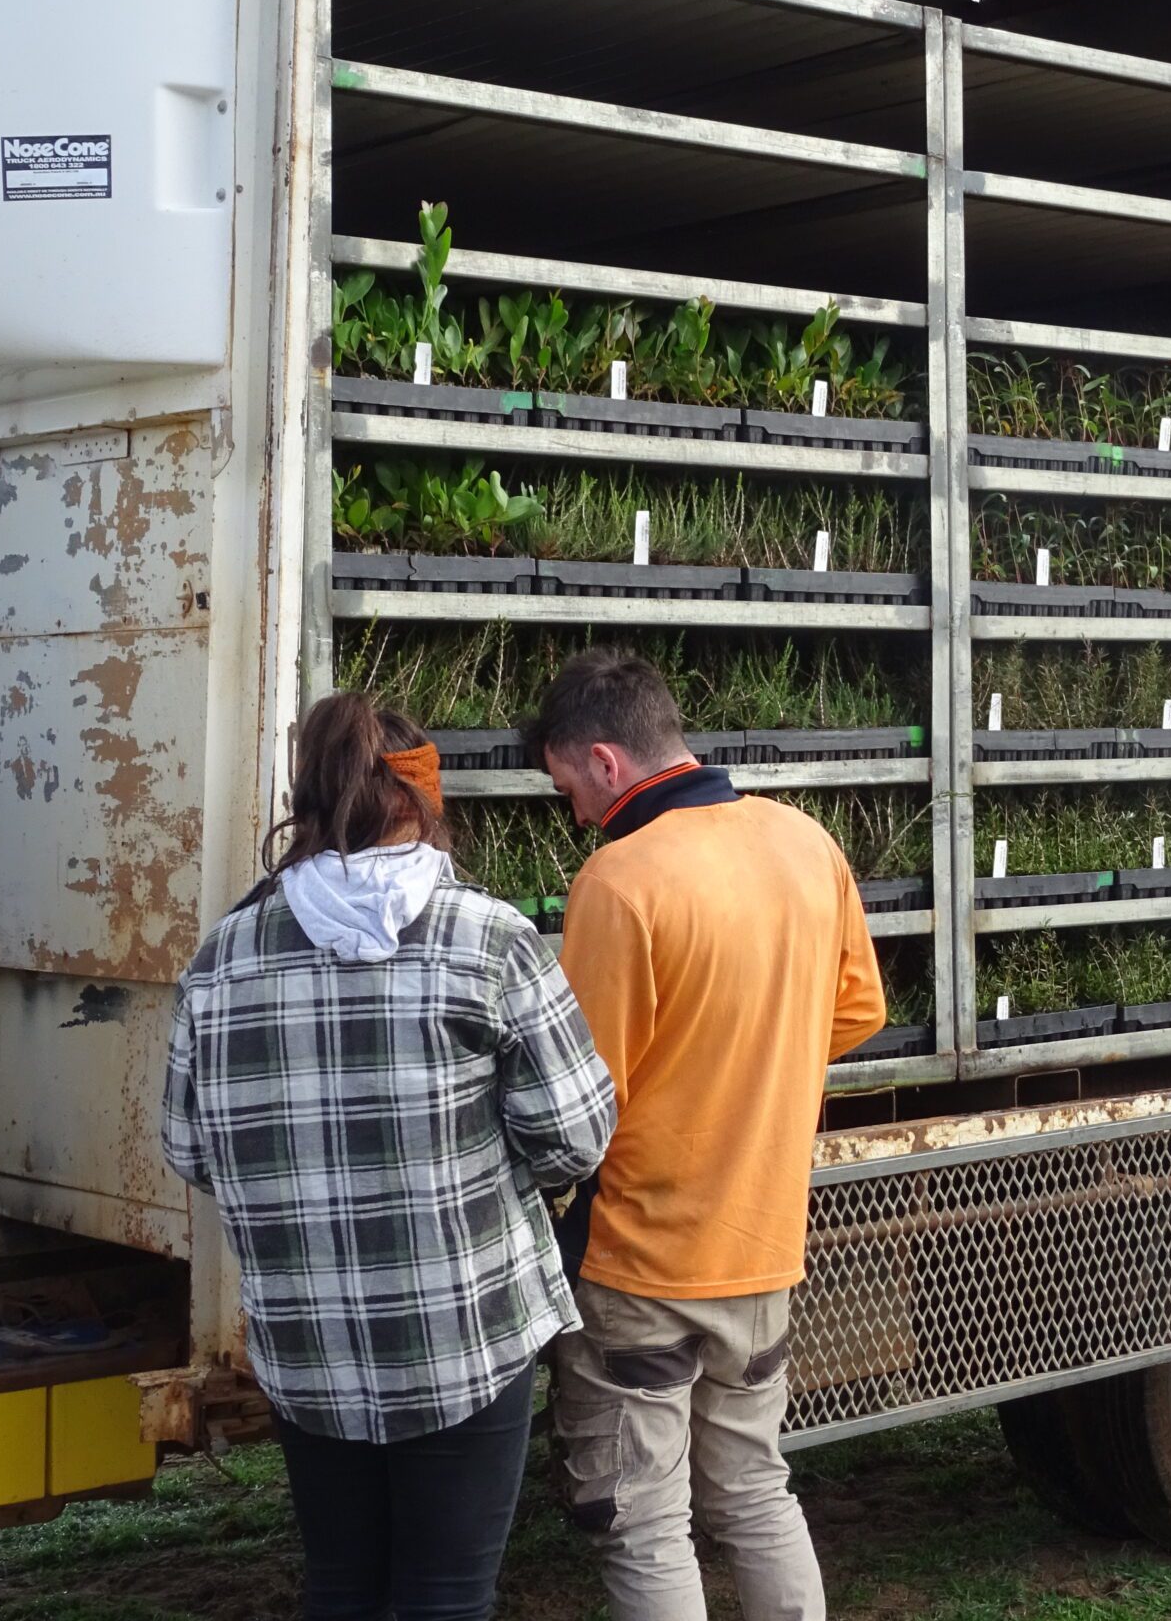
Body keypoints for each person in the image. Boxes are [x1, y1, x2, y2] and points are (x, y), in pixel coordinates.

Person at [161, 693, 616, 1621]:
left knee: (342, 1589)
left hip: (308, 1347)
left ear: (311, 802)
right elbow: (576, 1134)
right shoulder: (489, 938)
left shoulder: (223, 956)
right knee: (446, 1597)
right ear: (424, 800)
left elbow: (189, 1147)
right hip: (465, 1339)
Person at [528, 649, 887, 1621]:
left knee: (641, 1517)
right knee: (754, 1488)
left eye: (567, 787)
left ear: (603, 760)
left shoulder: (618, 880)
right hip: (763, 1244)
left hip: (642, 1261)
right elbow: (856, 1012)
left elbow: (581, 1096)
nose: (573, 812)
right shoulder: (803, 842)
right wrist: (749, 1067)